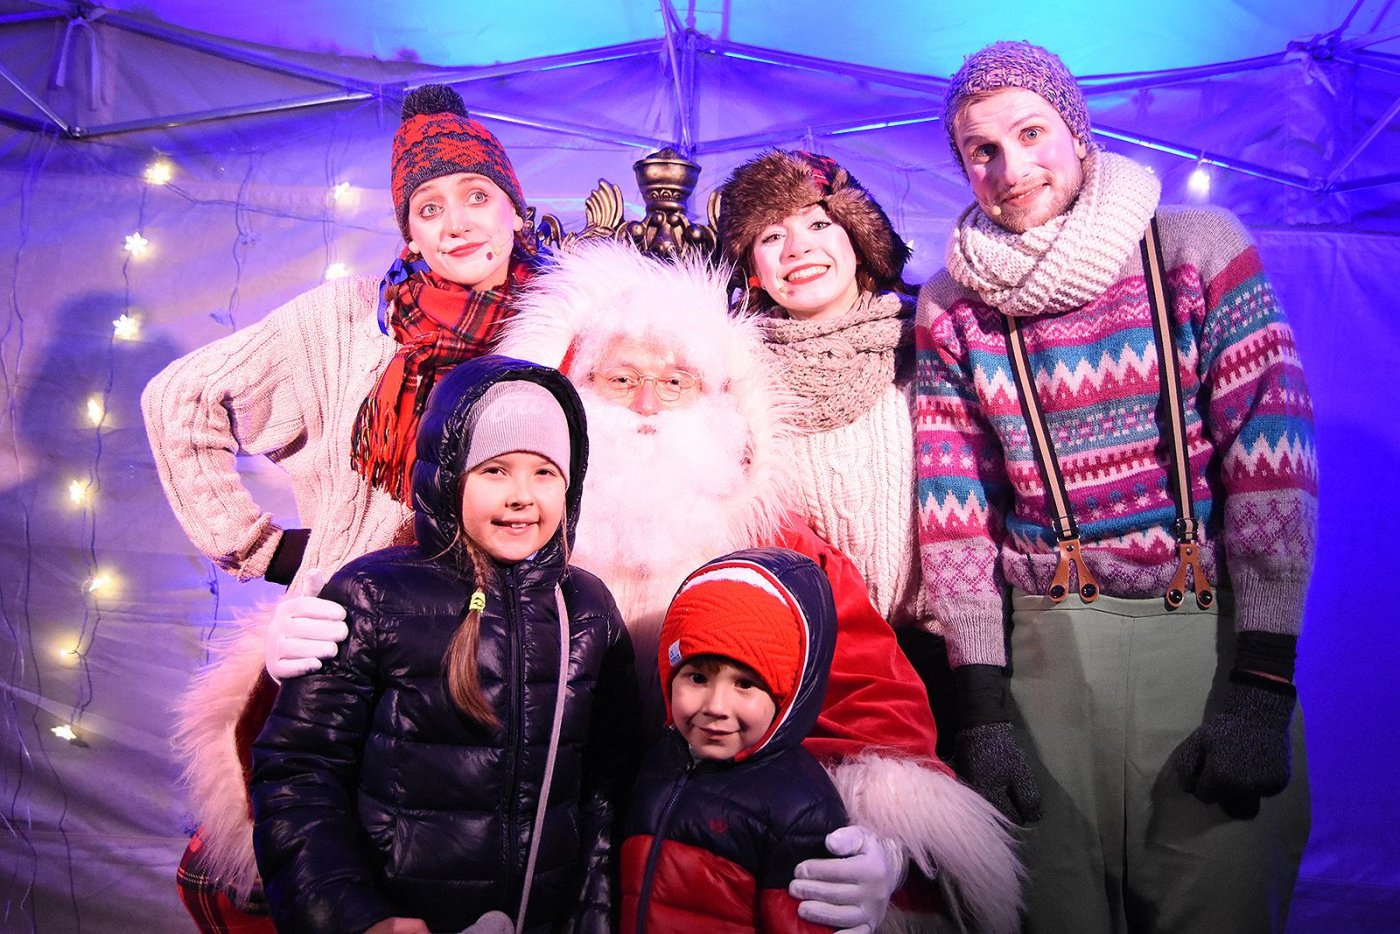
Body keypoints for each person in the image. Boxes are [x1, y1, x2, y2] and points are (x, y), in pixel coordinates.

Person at [492, 239, 1023, 933]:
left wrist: (886, 839)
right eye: (619, 381)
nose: (648, 403)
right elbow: (408, 610)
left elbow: (871, 696)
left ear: (721, 401)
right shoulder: (510, 531)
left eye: (676, 382)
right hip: (541, 858)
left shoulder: (778, 544)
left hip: (716, 862)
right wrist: (333, 620)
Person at [915, 40, 1316, 932]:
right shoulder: (951, 305)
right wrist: (980, 708)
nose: (1012, 168)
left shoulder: (1198, 248)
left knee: (1218, 904)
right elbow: (954, 512)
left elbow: (1272, 453)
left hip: (1204, 642)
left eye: (1031, 132)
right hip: (1044, 658)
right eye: (982, 150)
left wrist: (1260, 681)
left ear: (1079, 134)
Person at [141, 83, 540, 928]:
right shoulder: (346, 323)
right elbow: (180, 399)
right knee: (342, 871)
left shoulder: (563, 330)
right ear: (408, 230)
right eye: (429, 207)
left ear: (515, 209)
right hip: (350, 647)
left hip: (501, 651)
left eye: (477, 197)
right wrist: (264, 549)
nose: (456, 222)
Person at [251, 355, 638, 933]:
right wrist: (353, 918)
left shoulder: (586, 608)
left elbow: (609, 784)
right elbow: (298, 774)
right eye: (495, 470)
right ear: (449, 475)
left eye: (544, 472)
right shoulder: (374, 594)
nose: (521, 496)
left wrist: (594, 918)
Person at [718, 150, 928, 632]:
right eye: (772, 236)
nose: (797, 249)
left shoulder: (924, 345)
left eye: (817, 225)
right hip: (815, 651)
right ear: (754, 267)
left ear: (858, 238)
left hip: (944, 650)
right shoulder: (735, 378)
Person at [621, 547, 849, 934]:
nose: (716, 706)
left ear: (787, 694)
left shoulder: (801, 808)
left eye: (745, 683)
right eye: (697, 678)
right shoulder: (658, 761)